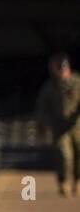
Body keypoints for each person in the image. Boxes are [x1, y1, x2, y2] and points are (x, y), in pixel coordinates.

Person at [34, 52, 80, 197]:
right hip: (59, 127)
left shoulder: (77, 83)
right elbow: (42, 107)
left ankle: (77, 181)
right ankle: (63, 181)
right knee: (64, 154)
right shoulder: (49, 87)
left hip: (77, 125)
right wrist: (42, 124)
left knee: (79, 153)